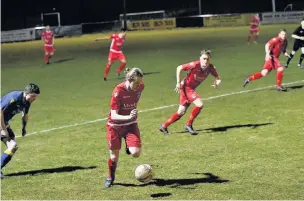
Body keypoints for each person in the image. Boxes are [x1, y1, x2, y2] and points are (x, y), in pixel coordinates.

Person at [159, 50, 221, 135]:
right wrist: (177, 82)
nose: (205, 61)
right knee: (199, 104)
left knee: (181, 112)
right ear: (200, 58)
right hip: (186, 87)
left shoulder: (210, 68)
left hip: (188, 88)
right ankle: (188, 125)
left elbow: (218, 77)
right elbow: (179, 67)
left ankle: (164, 126)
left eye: (208, 59)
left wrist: (217, 82)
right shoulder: (195, 65)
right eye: (204, 58)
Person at [104, 67, 144, 188]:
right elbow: (114, 115)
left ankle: (128, 143)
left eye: (140, 83)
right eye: (136, 83)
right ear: (129, 80)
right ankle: (110, 177)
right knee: (114, 157)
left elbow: (136, 95)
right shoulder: (118, 91)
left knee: (136, 153)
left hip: (130, 125)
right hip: (114, 126)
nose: (138, 86)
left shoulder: (140, 87)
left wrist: (131, 117)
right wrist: (129, 116)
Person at [1, 83, 41, 179]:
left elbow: (25, 115)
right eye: (33, 96)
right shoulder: (14, 97)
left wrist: (24, 128)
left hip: (4, 123)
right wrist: (3, 129)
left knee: (13, 147)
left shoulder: (27, 102)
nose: (34, 99)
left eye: (36, 97)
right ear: (26, 93)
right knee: (13, 146)